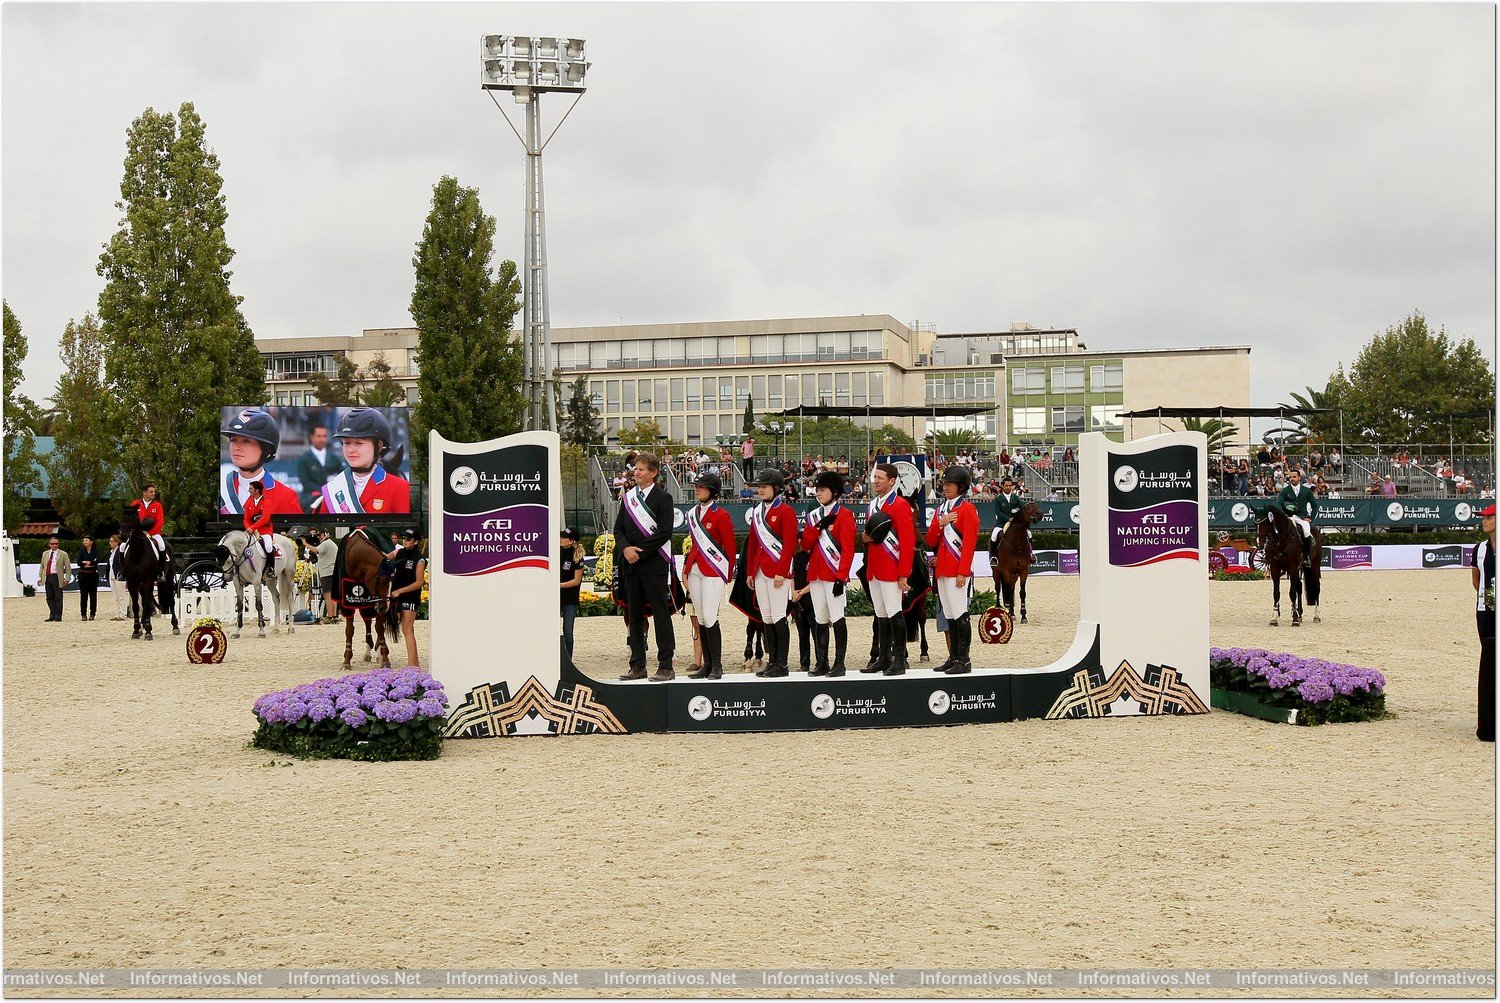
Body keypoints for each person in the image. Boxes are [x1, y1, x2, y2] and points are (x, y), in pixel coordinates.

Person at [613, 452, 677, 681]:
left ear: (653, 472)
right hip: (631, 564)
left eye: (641, 469)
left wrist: (640, 551)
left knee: (660, 613)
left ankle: (666, 665)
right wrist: (625, 549)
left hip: (653, 562)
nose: (636, 473)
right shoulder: (628, 497)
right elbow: (618, 529)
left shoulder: (663, 498)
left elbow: (664, 531)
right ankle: (637, 665)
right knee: (635, 615)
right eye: (636, 469)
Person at [861, 463, 914, 676]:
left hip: (892, 568)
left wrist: (903, 574)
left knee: (895, 613)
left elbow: (907, 540)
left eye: (880, 478)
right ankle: (883, 658)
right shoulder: (872, 505)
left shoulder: (900, 504)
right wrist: (865, 539)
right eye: (875, 477)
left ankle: (899, 659)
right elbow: (872, 535)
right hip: (875, 568)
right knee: (880, 615)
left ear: (891, 481)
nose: (876, 481)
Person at [801, 470, 856, 676]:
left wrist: (841, 577)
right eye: (817, 490)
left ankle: (839, 663)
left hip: (833, 575)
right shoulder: (813, 516)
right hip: (815, 574)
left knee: (837, 617)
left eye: (822, 490)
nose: (818, 493)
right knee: (820, 619)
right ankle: (821, 662)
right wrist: (817, 528)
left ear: (834, 492)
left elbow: (848, 550)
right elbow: (805, 544)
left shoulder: (844, 515)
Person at [746, 467, 799, 678]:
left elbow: (788, 545)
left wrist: (782, 571)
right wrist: (750, 571)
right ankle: (772, 660)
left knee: (778, 616)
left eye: (764, 486)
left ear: (777, 488)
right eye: (759, 487)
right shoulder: (758, 512)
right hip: (759, 571)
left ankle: (782, 664)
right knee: (766, 617)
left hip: (777, 571)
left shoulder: (786, 511)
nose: (761, 490)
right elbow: (753, 544)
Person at [926, 466, 980, 674]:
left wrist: (963, 572)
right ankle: (954, 656)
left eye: (950, 484)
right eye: (944, 484)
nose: (945, 487)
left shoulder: (967, 509)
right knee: (949, 615)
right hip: (942, 570)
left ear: (961, 487)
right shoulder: (941, 510)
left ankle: (964, 660)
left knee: (960, 614)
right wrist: (940, 524)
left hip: (957, 570)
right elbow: (930, 541)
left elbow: (969, 544)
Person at [684, 472, 736, 680]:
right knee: (701, 618)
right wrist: (687, 567)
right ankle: (706, 664)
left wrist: (728, 572)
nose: (697, 489)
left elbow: (730, 546)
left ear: (712, 491)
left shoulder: (721, 515)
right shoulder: (693, 513)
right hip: (696, 567)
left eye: (701, 487)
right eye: (696, 486)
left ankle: (717, 665)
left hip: (714, 569)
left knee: (710, 616)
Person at [310, 407, 410, 514]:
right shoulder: (333, 489)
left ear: (379, 446)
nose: (351, 450)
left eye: (359, 443)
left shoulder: (400, 488)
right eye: (347, 443)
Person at [219, 408, 304, 516]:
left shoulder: (285, 497)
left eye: (246, 441)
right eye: (233, 440)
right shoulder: (221, 487)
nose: (237, 447)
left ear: (265, 449)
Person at [387, 528, 427, 667]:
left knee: (407, 629)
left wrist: (399, 591)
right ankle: (414, 664)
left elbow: (419, 582)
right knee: (408, 630)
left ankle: (411, 666)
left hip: (410, 596)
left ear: (416, 542)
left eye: (408, 539)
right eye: (404, 538)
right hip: (398, 596)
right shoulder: (399, 552)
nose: (405, 540)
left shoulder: (419, 559)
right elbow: (384, 558)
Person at [1473, 504, 1496, 742]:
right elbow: (1476, 580)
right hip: (1485, 612)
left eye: (1489, 517)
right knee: (1488, 663)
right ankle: (1488, 721)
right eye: (1484, 517)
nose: (1484, 521)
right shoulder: (1479, 549)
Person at [295, 421, 343, 511]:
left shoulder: (334, 457)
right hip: (310, 496)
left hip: (333, 494)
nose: (322, 439)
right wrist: (324, 493)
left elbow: (343, 473)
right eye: (319, 436)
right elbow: (305, 482)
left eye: (324, 436)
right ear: (312, 437)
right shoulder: (303, 458)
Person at [1276, 467, 1318, 569]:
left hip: (1302, 517)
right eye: (1290, 477)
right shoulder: (1285, 491)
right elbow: (1279, 504)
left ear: (1299, 477)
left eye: (1294, 477)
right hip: (1289, 517)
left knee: (1307, 532)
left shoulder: (1306, 491)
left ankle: (1307, 556)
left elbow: (1314, 505)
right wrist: (1283, 516)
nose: (1292, 479)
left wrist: (1311, 518)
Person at [120, 483, 169, 566]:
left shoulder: (158, 505)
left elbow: (160, 522)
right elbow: (130, 520)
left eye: (154, 491)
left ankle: (161, 571)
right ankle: (122, 570)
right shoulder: (135, 504)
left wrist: (150, 533)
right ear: (144, 493)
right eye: (151, 492)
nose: (153, 493)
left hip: (153, 533)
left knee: (162, 546)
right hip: (137, 533)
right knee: (122, 546)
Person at [559, 526, 586, 660]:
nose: (560, 539)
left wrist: (558, 585)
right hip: (556, 597)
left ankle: (568, 658)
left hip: (570, 598)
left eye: (563, 537)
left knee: (568, 631)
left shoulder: (577, 557)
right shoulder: (557, 551)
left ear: (570, 541)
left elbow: (576, 581)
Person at [992, 476, 1030, 556]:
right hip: (1002, 523)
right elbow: (998, 513)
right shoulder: (998, 499)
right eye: (1006, 485)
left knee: (1029, 534)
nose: (1008, 487)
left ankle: (1030, 554)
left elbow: (1023, 505)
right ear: (1002, 486)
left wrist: (1029, 506)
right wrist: (1009, 519)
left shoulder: (1016, 498)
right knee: (994, 536)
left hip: (1015, 524)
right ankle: (994, 556)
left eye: (1010, 486)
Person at [40, 536, 71, 623]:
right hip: (47, 576)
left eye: (56, 544)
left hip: (57, 577)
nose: (54, 545)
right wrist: (40, 577)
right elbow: (42, 566)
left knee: (58, 597)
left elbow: (68, 567)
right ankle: (52, 614)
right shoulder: (45, 553)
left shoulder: (63, 554)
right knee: (49, 597)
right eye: (52, 544)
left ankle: (58, 615)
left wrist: (67, 578)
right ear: (49, 544)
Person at [313, 529, 339, 623]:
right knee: (333, 595)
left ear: (325, 534)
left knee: (327, 595)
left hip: (326, 572)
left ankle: (330, 616)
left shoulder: (325, 544)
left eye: (320, 535)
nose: (319, 537)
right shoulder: (332, 543)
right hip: (332, 571)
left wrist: (305, 543)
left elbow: (315, 550)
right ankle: (334, 616)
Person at [75, 534, 101, 621]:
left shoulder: (96, 551)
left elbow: (97, 561)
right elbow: (79, 562)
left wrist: (89, 563)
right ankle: (83, 614)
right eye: (84, 541)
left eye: (86, 540)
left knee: (93, 595)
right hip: (83, 575)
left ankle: (92, 613)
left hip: (93, 575)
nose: (85, 542)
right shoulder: (81, 552)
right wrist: (86, 563)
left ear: (91, 542)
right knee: (83, 595)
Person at [106, 534, 129, 621]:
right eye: (110, 541)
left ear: (117, 542)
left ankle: (123, 614)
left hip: (119, 575)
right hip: (112, 575)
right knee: (116, 596)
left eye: (112, 541)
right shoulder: (112, 552)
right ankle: (118, 612)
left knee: (121, 595)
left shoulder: (120, 551)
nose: (110, 543)